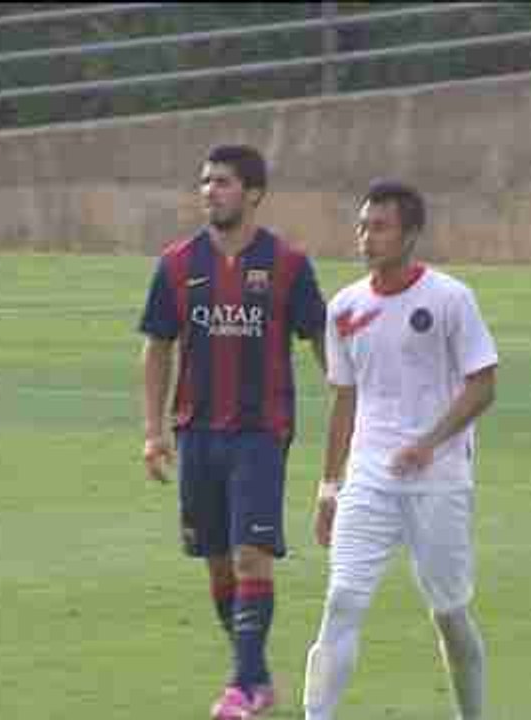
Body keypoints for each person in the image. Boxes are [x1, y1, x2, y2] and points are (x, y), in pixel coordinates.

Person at [138, 144, 327, 720]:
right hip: (196, 433)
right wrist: (154, 431)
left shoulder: (288, 265)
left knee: (251, 557)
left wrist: (360, 405)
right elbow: (156, 348)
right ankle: (258, 676)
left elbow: (322, 341)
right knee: (218, 561)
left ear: (253, 193)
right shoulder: (176, 264)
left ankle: (243, 685)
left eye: (222, 182)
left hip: (260, 433)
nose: (209, 192)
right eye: (204, 182)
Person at [303, 180, 499, 720]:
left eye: (380, 226)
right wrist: (328, 488)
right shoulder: (344, 307)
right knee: (342, 601)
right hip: (369, 476)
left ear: (411, 235)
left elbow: (483, 385)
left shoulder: (450, 299)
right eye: (362, 225)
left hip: (439, 478)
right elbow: (343, 400)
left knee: (450, 615)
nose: (366, 237)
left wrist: (428, 443)